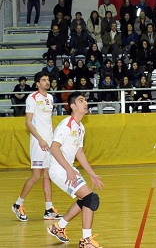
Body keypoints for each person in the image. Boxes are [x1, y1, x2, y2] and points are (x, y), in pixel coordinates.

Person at [47, 92, 104, 247]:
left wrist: (91, 173)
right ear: (72, 106)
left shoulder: (81, 127)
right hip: (60, 169)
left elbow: (79, 152)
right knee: (91, 198)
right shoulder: (66, 124)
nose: (85, 102)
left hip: (67, 167)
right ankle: (86, 240)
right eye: (81, 100)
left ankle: (59, 227)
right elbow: (54, 148)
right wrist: (69, 170)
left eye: (85, 99)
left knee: (85, 199)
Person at [12, 72, 62, 222]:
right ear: (37, 83)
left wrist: (53, 140)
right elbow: (28, 123)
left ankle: (49, 209)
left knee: (48, 175)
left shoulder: (51, 98)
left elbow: (47, 121)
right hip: (38, 142)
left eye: (48, 79)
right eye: (44, 80)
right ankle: (17, 204)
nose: (47, 82)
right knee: (36, 176)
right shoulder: (32, 98)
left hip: (49, 141)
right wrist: (40, 140)